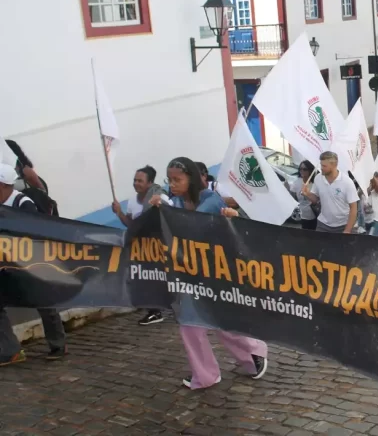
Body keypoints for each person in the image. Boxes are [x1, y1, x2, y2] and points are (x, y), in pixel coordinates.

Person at [148, 158, 268, 389]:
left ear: (191, 179)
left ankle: (253, 354)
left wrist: (164, 208)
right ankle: (206, 375)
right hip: (189, 274)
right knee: (190, 325)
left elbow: (190, 227)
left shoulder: (211, 201)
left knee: (220, 322)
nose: (172, 184)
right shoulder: (177, 202)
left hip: (216, 273)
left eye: (177, 180)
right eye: (169, 180)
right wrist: (160, 206)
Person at [0, 164, 68, 365]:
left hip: (31, 264)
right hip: (6, 265)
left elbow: (34, 234)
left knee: (44, 304)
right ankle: (11, 350)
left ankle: (58, 343)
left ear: (4, 185)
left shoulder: (24, 203)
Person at [112, 165, 170, 326]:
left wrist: (159, 205)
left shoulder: (160, 198)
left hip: (159, 247)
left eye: (140, 181)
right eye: (135, 180)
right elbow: (131, 225)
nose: (136, 183)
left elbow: (171, 217)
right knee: (146, 279)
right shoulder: (132, 201)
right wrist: (119, 213)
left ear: (150, 183)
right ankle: (154, 311)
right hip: (142, 249)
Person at [301, 152, 358, 233]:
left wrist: (347, 230)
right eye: (321, 165)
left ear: (334, 165)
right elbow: (316, 200)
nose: (321, 168)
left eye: (324, 166)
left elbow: (353, 208)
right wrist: (307, 194)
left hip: (343, 225)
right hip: (323, 224)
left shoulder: (347, 182)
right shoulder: (318, 178)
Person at [288, 161, 318, 231]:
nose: (302, 171)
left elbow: (316, 201)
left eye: (305, 169)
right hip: (302, 215)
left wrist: (306, 194)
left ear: (310, 170)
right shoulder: (296, 182)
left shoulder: (315, 183)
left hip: (314, 215)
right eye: (300, 169)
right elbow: (294, 199)